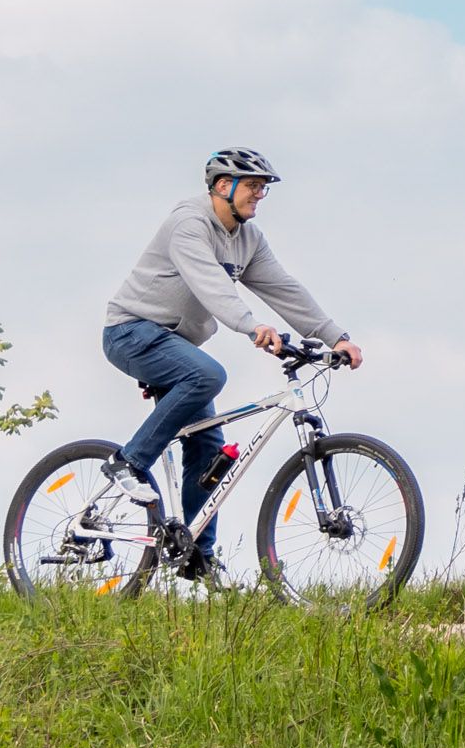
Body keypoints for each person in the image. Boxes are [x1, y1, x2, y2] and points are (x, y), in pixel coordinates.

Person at [102, 148, 364, 579]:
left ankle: (196, 556)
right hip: (131, 331)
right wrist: (251, 327)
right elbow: (208, 284)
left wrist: (336, 336)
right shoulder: (187, 224)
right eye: (254, 187)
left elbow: (283, 288)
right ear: (224, 185)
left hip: (175, 345)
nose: (260, 196)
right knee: (208, 375)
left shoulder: (248, 239)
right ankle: (127, 462)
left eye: (264, 189)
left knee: (206, 447)